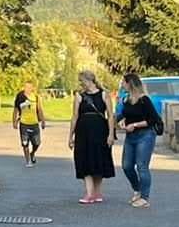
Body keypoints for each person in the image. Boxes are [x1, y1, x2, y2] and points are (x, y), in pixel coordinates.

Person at [68, 70, 115, 203]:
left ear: (89, 80)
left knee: (99, 160)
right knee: (84, 159)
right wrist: (71, 135)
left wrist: (111, 134)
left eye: (82, 81)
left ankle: (97, 192)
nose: (81, 84)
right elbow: (74, 116)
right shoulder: (79, 96)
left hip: (100, 131)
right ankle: (89, 193)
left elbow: (110, 115)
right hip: (83, 132)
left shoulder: (104, 94)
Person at [118, 72, 162, 207]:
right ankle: (137, 189)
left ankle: (144, 197)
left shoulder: (144, 100)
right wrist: (122, 121)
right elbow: (124, 115)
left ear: (129, 83)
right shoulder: (126, 100)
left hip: (145, 134)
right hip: (131, 136)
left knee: (142, 166)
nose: (121, 84)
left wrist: (135, 125)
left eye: (123, 82)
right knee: (126, 166)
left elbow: (153, 120)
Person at [12, 83, 45, 165]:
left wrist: (43, 121)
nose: (27, 89)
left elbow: (40, 109)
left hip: (34, 123)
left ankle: (32, 153)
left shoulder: (36, 97)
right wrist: (14, 121)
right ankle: (28, 161)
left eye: (29, 87)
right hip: (24, 123)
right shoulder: (20, 96)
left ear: (32, 88)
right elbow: (15, 109)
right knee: (25, 143)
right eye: (26, 87)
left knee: (37, 143)